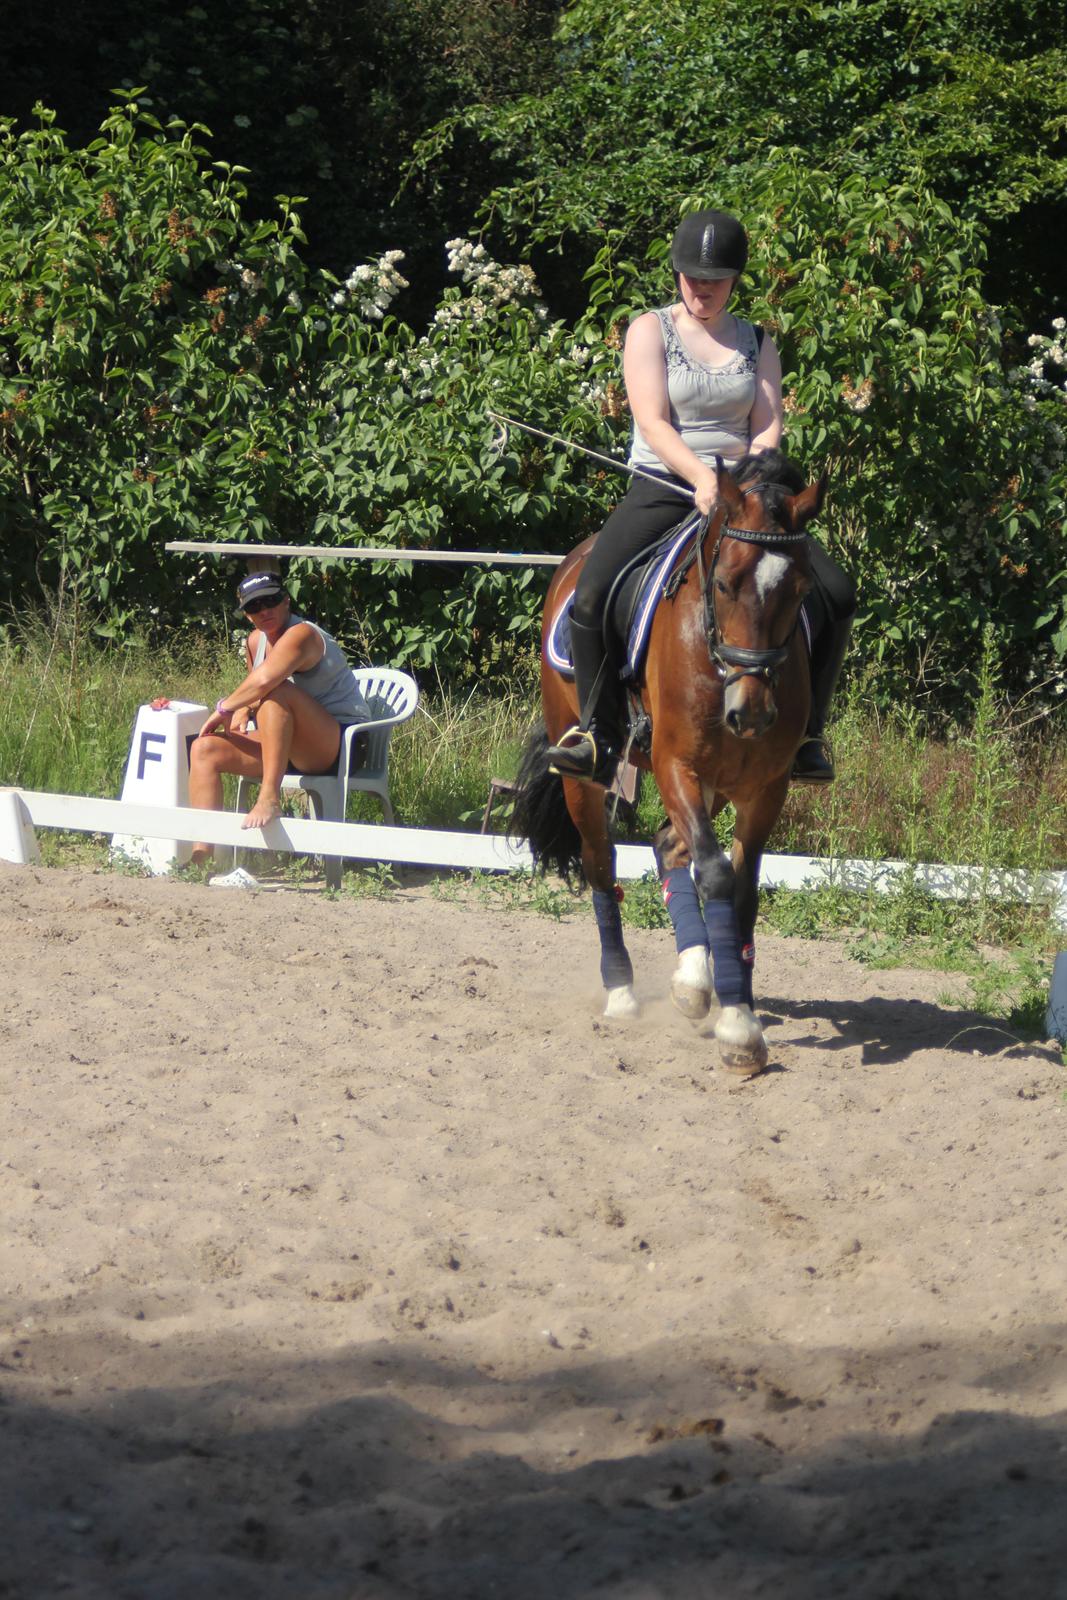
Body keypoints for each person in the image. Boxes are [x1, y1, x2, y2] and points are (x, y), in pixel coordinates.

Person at [545, 207, 855, 787]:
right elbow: (654, 422)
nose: (702, 289)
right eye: (692, 278)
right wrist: (701, 479)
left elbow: (767, 427)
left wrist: (745, 485)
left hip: (745, 496)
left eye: (714, 280)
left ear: (735, 280)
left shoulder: (756, 341)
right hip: (665, 485)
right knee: (590, 594)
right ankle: (597, 732)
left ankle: (809, 733)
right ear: (677, 275)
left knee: (836, 593)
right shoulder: (649, 330)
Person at [188, 571, 370, 864]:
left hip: (342, 743)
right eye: (254, 607)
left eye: (271, 601)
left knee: (277, 693)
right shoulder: (254, 641)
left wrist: (224, 708)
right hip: (289, 744)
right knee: (204, 749)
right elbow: (253, 690)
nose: (264, 611)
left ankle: (269, 798)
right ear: (247, 615)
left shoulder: (303, 634)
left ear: (286, 601)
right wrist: (239, 713)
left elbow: (265, 683)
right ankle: (201, 856)